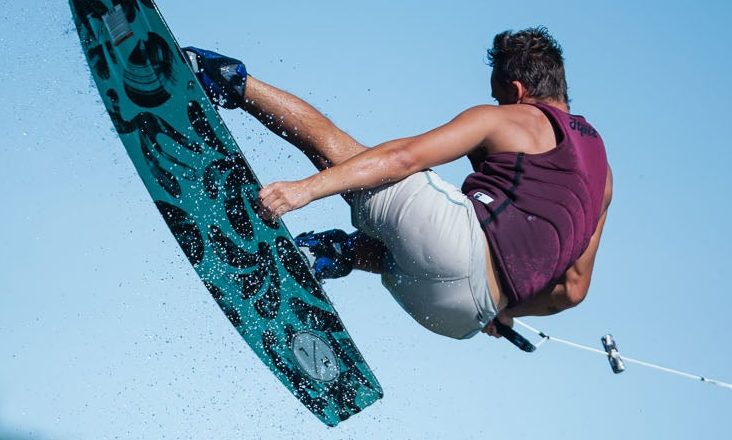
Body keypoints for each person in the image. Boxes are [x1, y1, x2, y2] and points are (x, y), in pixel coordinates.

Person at [184, 29, 612, 342]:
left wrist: (306, 190)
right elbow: (573, 291)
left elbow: (403, 158)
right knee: (401, 240)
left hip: (451, 249)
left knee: (350, 154)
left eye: (499, 96)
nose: (497, 104)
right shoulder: (604, 177)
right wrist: (501, 309)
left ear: (517, 91)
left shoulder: (513, 117)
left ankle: (227, 79)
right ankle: (336, 253)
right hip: (460, 316)